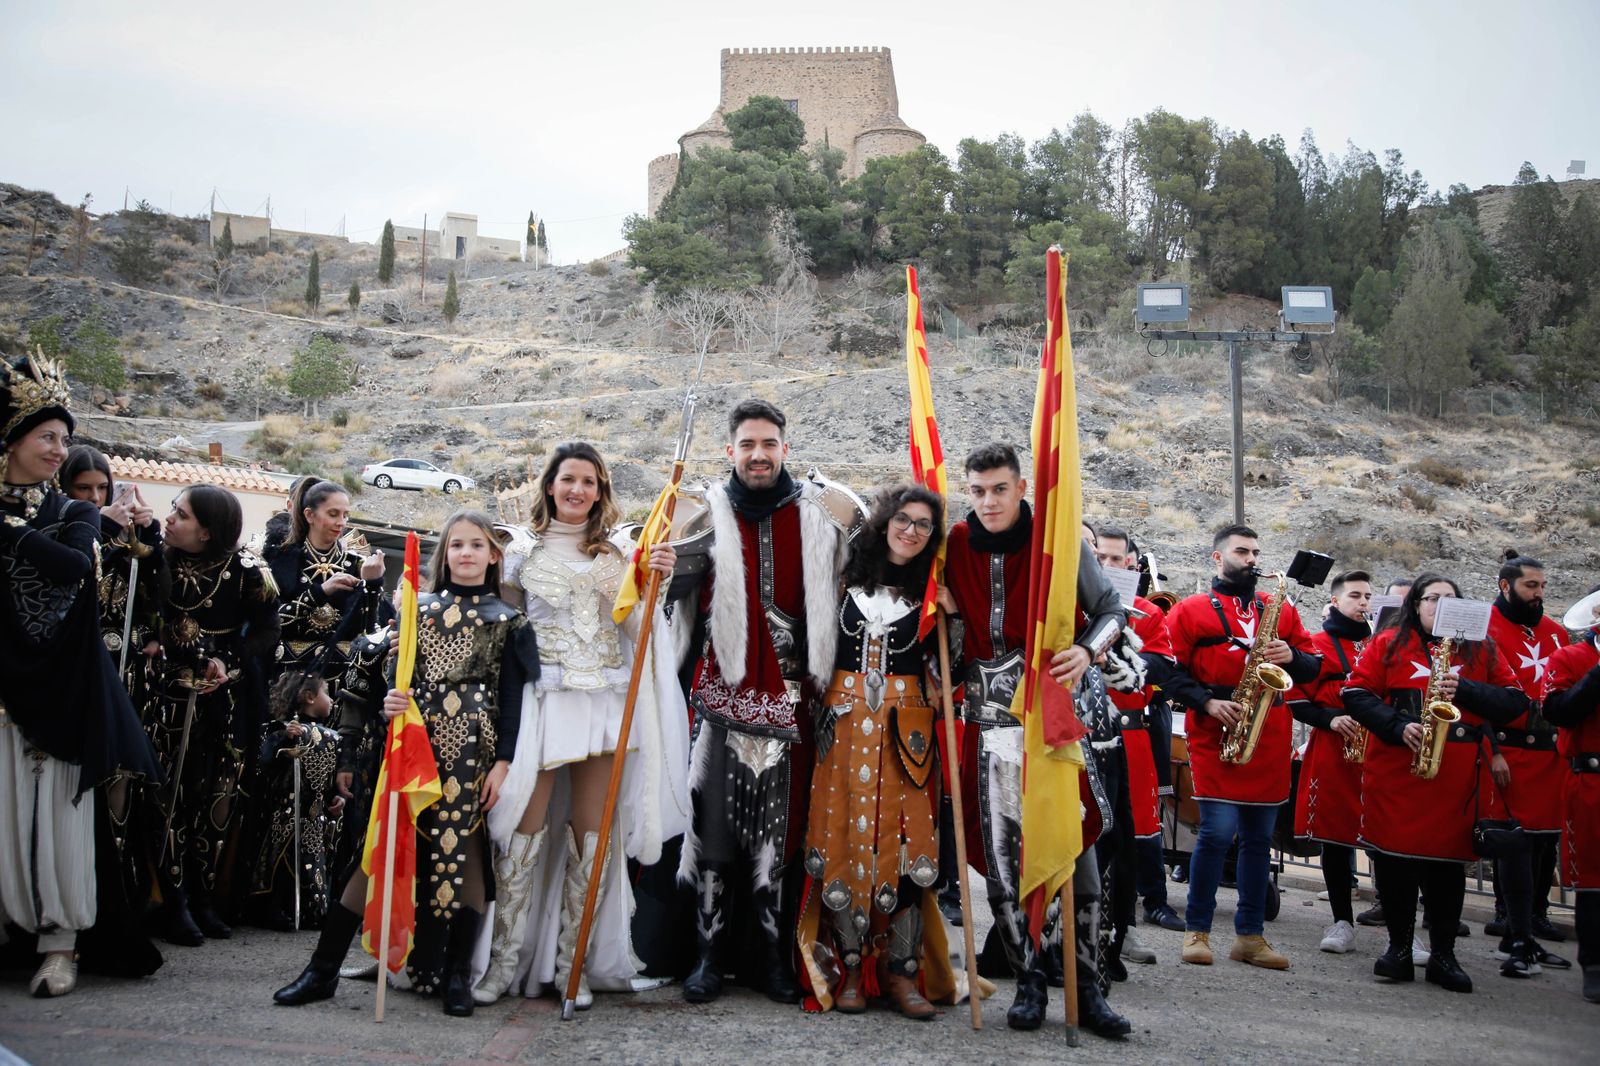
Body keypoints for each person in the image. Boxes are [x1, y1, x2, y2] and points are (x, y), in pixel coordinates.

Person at [273, 509, 538, 1017]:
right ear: (445, 554)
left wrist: (503, 762)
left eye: (476, 545)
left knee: (465, 858)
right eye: (456, 544)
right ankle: (321, 969)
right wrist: (391, 700)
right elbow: (392, 680)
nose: (466, 553)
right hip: (411, 747)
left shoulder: (511, 623)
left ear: (493, 555)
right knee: (378, 852)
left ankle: (457, 976)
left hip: (472, 755)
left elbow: (512, 699)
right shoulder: (418, 609)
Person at [474, 443, 689, 1009]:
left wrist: (653, 583)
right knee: (523, 825)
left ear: (600, 491)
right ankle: (502, 963)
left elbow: (637, 627)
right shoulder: (516, 552)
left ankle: (575, 965)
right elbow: (500, 632)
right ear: (550, 486)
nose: (578, 490)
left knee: (592, 837)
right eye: (568, 479)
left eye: (589, 482)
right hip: (544, 700)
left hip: (606, 701)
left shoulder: (621, 552)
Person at [936, 444, 1134, 1036]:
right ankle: (1028, 983)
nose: (988, 501)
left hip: (1052, 726)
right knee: (1000, 863)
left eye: (999, 489)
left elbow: (1110, 610)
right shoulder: (954, 546)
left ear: (1021, 487)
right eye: (977, 490)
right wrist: (942, 614)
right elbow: (941, 626)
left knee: (1077, 860)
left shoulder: (1057, 539)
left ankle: (1089, 990)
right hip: (988, 723)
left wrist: (1087, 650)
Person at [674, 400, 853, 1005]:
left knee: (781, 840)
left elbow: (867, 571)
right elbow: (667, 593)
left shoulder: (820, 515)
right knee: (717, 837)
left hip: (795, 705)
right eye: (747, 444)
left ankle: (774, 960)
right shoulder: (703, 513)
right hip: (722, 701)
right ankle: (708, 957)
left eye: (769, 443)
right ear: (731, 450)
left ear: (784, 447)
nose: (758, 454)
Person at [0, 353, 160, 997]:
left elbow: (71, 569)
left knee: (59, 819)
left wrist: (7, 532)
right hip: (3, 688)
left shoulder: (73, 513)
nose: (58, 450)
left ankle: (60, 945)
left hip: (64, 690)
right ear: (11, 442)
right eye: (48, 437)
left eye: (64, 440)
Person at [797, 482, 952, 1018]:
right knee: (841, 834)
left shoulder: (933, 593)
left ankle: (902, 973)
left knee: (908, 841)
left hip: (906, 730)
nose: (911, 531)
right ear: (885, 522)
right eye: (903, 520)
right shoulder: (843, 581)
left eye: (924, 525)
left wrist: (947, 632)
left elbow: (946, 666)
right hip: (840, 724)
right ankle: (847, 968)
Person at [1342, 573, 1528, 993]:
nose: (1440, 606)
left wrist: (1466, 689)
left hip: (1457, 772)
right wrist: (1395, 726)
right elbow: (1355, 692)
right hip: (1398, 767)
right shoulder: (1388, 642)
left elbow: (1515, 701)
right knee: (1394, 861)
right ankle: (1400, 950)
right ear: (1416, 605)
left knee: (1446, 865)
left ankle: (1443, 955)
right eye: (1432, 599)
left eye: (1450, 599)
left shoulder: (1483, 650)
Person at [1164, 525, 1321, 971]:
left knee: (1257, 839)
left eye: (1255, 551)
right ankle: (1198, 929)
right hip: (1217, 730)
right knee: (1216, 832)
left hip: (1269, 733)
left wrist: (1293, 656)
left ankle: (1250, 936)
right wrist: (1207, 701)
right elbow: (1167, 671)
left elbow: (1313, 665)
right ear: (1218, 558)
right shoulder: (1191, 610)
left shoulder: (1279, 609)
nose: (1252, 559)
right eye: (1241, 551)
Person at [154, 483, 281, 943]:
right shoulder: (155, 560)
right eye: (173, 510)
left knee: (216, 796)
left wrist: (229, 660)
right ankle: (168, 899)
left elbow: (269, 630)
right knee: (168, 793)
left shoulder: (248, 569)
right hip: (164, 694)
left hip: (225, 698)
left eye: (181, 514)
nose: (170, 519)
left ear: (207, 532)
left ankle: (202, 897)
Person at [1091, 524, 1183, 964]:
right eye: (1100, 558)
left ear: (1131, 562)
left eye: (1115, 558)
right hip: (1083, 731)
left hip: (1129, 734)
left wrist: (1118, 647)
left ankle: (1124, 927)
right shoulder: (1074, 603)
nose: (1107, 565)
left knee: (1131, 835)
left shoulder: (1149, 610)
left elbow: (1161, 667)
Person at [1484, 550, 1571, 975]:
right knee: (1511, 837)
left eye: (1541, 586)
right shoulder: (1484, 627)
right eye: (1530, 586)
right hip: (1507, 747)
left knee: (1545, 838)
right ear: (1506, 586)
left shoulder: (1556, 633)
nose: (1538, 594)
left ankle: (1535, 917)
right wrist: (1493, 751)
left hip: (1550, 750)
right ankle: (1507, 917)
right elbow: (1476, 695)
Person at [1286, 569, 1372, 955]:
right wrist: (1331, 718)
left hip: (1379, 753)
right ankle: (1342, 922)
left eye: (1367, 596)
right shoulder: (1317, 644)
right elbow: (1297, 700)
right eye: (1355, 596)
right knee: (1335, 839)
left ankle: (1403, 928)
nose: (1364, 603)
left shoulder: (1379, 645)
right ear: (1335, 601)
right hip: (1334, 753)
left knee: (1386, 840)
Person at [268, 478, 390, 687]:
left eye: (345, 515)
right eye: (333, 514)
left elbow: (369, 629)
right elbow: (272, 622)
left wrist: (372, 584)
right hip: (287, 677)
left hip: (340, 678)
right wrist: (321, 591)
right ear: (309, 515)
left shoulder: (356, 564)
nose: (341, 522)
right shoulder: (283, 559)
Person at [244, 670, 340, 930]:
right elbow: (265, 764)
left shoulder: (332, 737)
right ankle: (272, 906)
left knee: (314, 864)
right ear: (309, 697)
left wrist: (336, 798)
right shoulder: (281, 731)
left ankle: (311, 908)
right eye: (326, 693)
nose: (331, 700)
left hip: (316, 813)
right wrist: (284, 741)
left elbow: (329, 774)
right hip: (286, 812)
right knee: (282, 862)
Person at [1541, 586, 1600, 1003]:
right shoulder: (1570, 658)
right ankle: (1594, 965)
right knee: (1594, 881)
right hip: (1592, 779)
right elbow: (1557, 712)